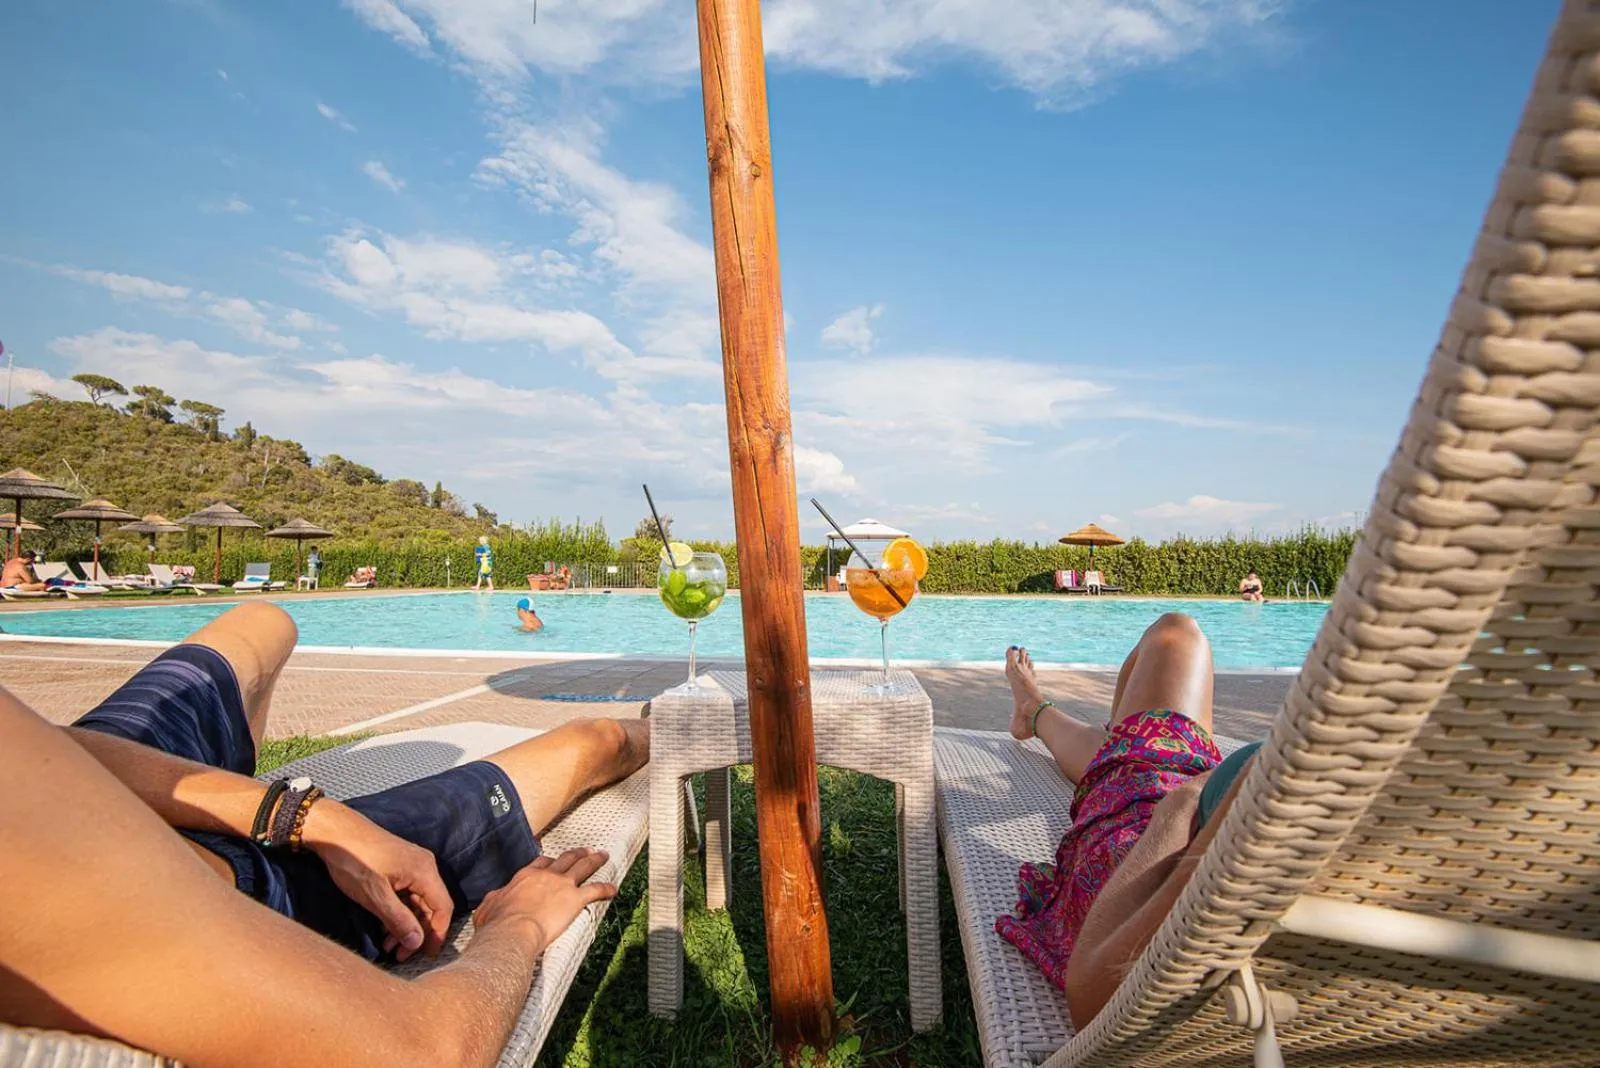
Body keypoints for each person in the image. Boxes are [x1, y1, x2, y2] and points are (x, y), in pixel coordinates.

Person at [0, 601, 649, 1066]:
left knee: (262, 622)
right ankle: (692, 723)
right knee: (598, 741)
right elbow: (424, 1050)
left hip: (76, 772)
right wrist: (519, 924)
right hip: (230, 886)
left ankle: (223, 772)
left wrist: (299, 813)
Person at [997, 614, 1263, 1028]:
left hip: (1147, 845)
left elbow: (1091, 1000)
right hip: (1176, 812)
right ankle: (1057, 720)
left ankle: (1042, 712)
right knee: (1131, 753)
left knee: (1176, 634)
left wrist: (1184, 803)